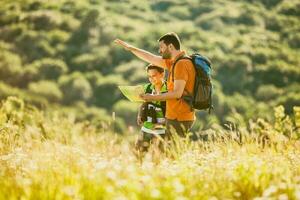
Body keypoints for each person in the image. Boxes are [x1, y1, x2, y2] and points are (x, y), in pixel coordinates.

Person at [115, 32, 196, 138]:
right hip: (174, 116)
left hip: (179, 117)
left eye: (162, 47)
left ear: (170, 46)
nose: (160, 50)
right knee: (166, 152)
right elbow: (151, 58)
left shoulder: (181, 64)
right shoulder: (174, 63)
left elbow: (177, 93)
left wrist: (152, 97)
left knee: (171, 153)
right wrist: (131, 48)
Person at [135, 64, 167, 159]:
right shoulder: (147, 88)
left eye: (154, 75)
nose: (151, 79)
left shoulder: (169, 89)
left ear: (162, 74)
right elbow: (143, 103)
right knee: (139, 156)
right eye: (149, 76)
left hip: (161, 131)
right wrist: (139, 115)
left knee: (159, 158)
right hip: (146, 129)